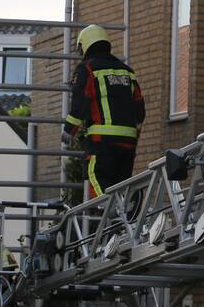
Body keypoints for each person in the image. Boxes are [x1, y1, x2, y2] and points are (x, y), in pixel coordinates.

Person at [62, 24, 146, 198]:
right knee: (121, 182)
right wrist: (134, 134)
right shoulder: (127, 72)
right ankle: (130, 206)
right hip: (128, 141)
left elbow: (80, 100)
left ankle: (115, 209)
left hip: (102, 141)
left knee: (95, 177)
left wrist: (69, 130)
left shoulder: (88, 69)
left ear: (85, 44)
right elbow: (139, 108)